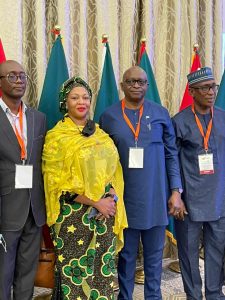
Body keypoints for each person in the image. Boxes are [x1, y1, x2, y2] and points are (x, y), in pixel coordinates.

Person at [99, 66, 185, 300]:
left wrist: (176, 191)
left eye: (141, 81)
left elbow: (171, 154)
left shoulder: (160, 113)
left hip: (156, 197)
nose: (136, 85)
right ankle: (124, 297)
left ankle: (153, 297)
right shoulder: (109, 116)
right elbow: (102, 160)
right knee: (126, 257)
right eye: (131, 81)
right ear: (122, 85)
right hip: (124, 201)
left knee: (154, 257)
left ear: (147, 85)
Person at [42, 76, 127, 299]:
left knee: (103, 273)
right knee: (76, 277)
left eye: (86, 97)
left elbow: (115, 170)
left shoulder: (100, 133)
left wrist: (112, 197)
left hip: (104, 215)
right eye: (75, 97)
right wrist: (95, 202)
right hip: (73, 217)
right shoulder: (56, 137)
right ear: (65, 103)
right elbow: (55, 184)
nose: (82, 102)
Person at [172, 67, 225, 300]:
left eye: (213, 86)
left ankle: (214, 294)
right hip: (189, 201)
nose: (211, 92)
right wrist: (176, 194)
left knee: (216, 252)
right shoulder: (179, 121)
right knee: (188, 252)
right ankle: (193, 295)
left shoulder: (223, 117)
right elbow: (171, 161)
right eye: (205, 88)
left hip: (219, 199)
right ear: (192, 91)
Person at [0, 60, 47, 299]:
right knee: (3, 273)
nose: (19, 80)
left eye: (22, 76)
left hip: (34, 209)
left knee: (27, 272)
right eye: (11, 76)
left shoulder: (38, 118)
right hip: (6, 209)